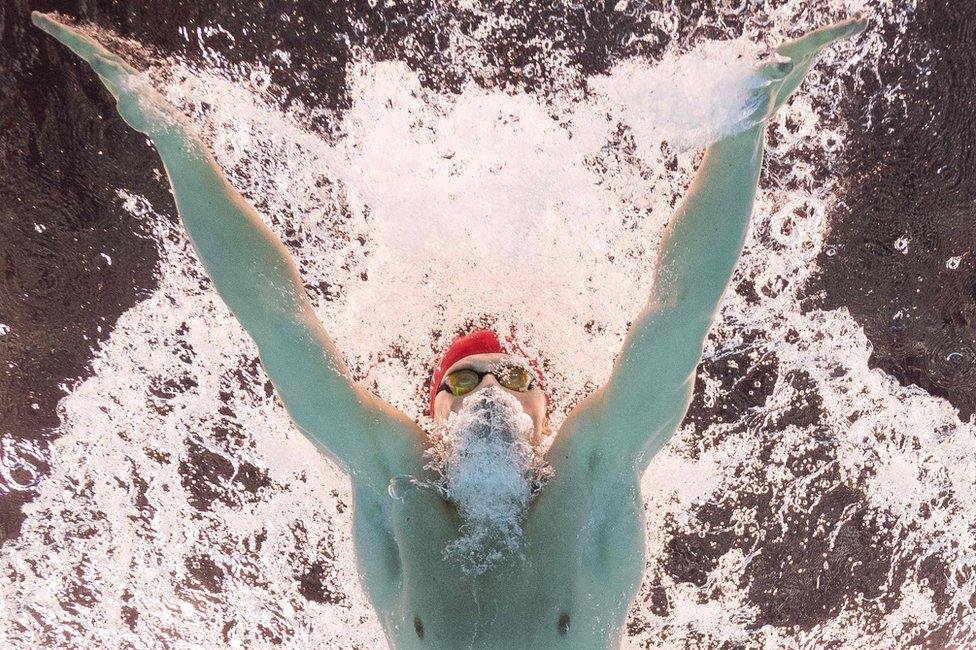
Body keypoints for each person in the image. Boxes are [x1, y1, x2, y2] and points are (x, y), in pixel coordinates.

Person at [32, 11, 866, 648]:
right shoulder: (393, 478)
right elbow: (276, 320)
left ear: (548, 411)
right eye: (463, 379)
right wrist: (177, 142)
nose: (490, 388)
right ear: (431, 409)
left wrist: (741, 126)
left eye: (509, 376)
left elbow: (678, 312)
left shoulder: (594, 471)